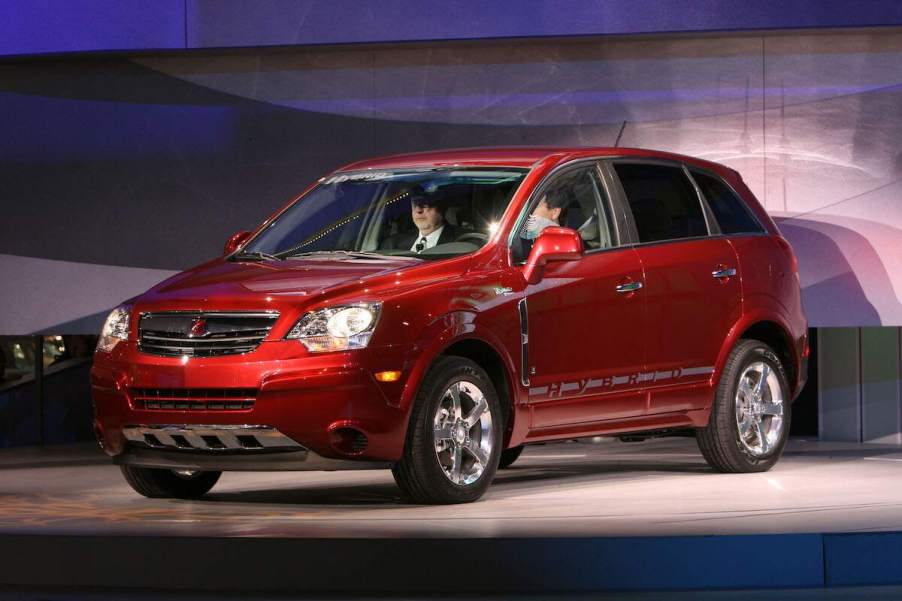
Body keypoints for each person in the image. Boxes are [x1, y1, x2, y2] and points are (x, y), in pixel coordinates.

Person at [381, 186, 458, 252]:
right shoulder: (391, 244)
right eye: (414, 203)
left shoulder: (463, 243)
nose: (418, 210)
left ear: (442, 207)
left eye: (425, 203)